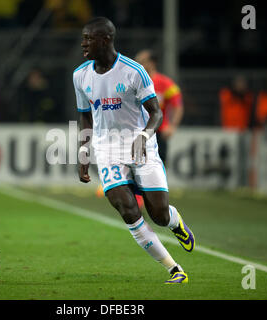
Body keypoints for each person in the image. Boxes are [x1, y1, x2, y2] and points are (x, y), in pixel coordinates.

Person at [73, 17, 195, 284]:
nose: (83, 43)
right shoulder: (80, 75)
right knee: (127, 209)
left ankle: (175, 223)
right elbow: (85, 118)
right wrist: (83, 155)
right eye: (83, 37)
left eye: (88, 38)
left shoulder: (133, 71)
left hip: (142, 147)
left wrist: (144, 135)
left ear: (105, 39)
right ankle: (174, 269)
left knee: (159, 215)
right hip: (107, 150)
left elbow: (156, 113)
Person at [135, 49, 184, 166]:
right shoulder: (133, 82)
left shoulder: (166, 83)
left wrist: (172, 126)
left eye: (142, 61)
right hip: (136, 130)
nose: (137, 64)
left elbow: (178, 106)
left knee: (158, 166)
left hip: (158, 131)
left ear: (152, 63)